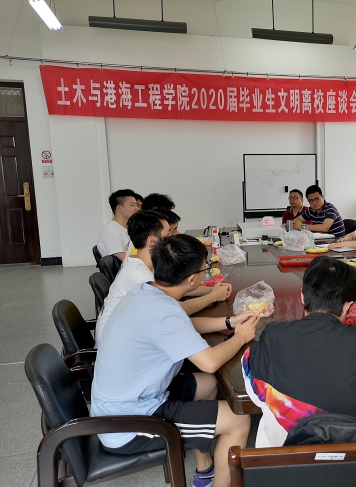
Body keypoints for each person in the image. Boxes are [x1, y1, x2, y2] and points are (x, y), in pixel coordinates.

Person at [91, 234, 260, 487]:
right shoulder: (163, 312)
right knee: (238, 419)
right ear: (192, 279)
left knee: (209, 383)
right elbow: (210, 362)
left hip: (122, 402)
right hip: (129, 423)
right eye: (205, 268)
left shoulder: (145, 291)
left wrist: (229, 322)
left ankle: (205, 470)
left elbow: (182, 325)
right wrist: (240, 337)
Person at [242, 256, 356, 447]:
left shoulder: (274, 335)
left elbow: (253, 388)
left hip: (284, 459)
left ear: (302, 296)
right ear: (348, 305)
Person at [95, 211, 232, 347]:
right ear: (152, 241)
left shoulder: (141, 261)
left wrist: (211, 290)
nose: (174, 238)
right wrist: (213, 297)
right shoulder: (141, 277)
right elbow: (179, 309)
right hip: (116, 345)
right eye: (168, 235)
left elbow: (177, 286)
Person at [96, 189, 137, 260]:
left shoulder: (128, 228)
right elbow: (122, 258)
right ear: (119, 208)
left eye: (136, 205)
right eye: (132, 205)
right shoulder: (111, 231)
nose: (137, 208)